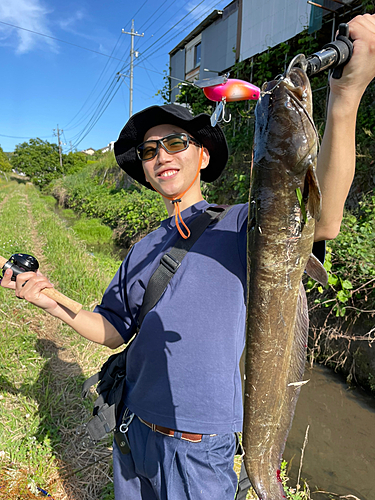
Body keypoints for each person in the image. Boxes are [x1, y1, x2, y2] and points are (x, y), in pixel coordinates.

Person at [1, 13, 375, 500]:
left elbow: (320, 219)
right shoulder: (142, 248)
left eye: (176, 142)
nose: (161, 156)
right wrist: (51, 299)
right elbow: (112, 328)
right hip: (132, 433)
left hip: (200, 451)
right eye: (150, 151)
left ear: (202, 155)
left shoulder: (244, 223)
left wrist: (345, 100)